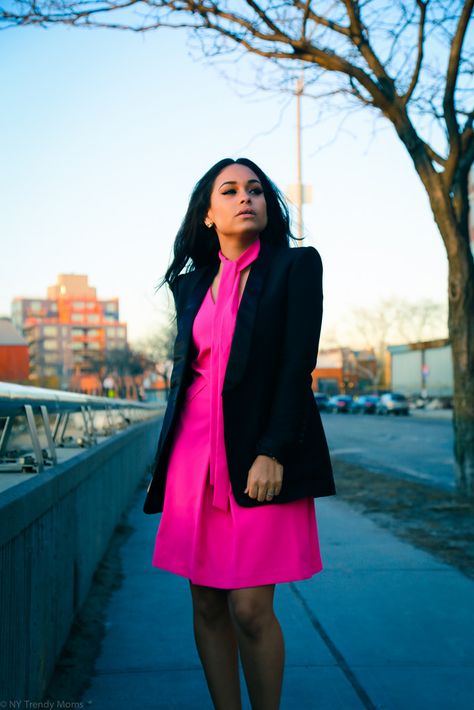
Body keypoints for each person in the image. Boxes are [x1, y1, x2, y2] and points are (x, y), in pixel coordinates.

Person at [143, 157, 335, 710]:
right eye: (229, 190)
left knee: (250, 608)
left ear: (268, 205)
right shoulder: (192, 284)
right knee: (206, 604)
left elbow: (297, 364)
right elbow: (187, 374)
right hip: (191, 459)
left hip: (257, 453)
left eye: (255, 189)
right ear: (207, 214)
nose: (245, 196)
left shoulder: (295, 267)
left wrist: (273, 450)